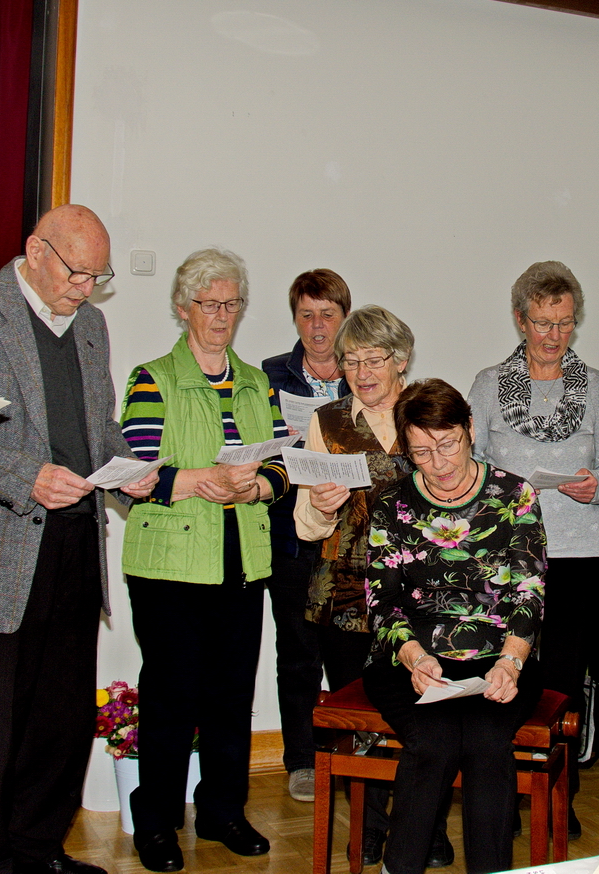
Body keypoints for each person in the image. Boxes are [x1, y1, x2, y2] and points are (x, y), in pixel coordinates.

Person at [0, 204, 158, 874]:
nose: (86, 289)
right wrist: (26, 478)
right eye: (78, 272)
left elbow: (98, 428)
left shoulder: (92, 325)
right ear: (36, 249)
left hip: (76, 547)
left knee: (59, 721)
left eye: (98, 276)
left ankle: (38, 849)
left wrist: (131, 472)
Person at [118, 247, 292, 869]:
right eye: (208, 303)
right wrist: (202, 480)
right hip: (169, 562)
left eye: (231, 303)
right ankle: (157, 820)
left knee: (230, 694)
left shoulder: (257, 382)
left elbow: (281, 465)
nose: (221, 315)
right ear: (182, 307)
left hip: (241, 557)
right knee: (170, 695)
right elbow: (134, 473)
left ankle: (222, 810)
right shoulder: (151, 378)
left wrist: (260, 484)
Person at [364, 379, 547, 874]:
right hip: (413, 657)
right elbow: (382, 602)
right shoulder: (392, 504)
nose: (438, 462)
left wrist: (511, 662)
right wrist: (415, 658)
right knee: (434, 738)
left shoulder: (514, 495)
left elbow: (528, 592)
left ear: (469, 430)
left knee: (488, 743)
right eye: (421, 452)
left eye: (447, 445)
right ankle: (398, 867)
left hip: (501, 653)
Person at [466, 260, 599, 837]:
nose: (553, 335)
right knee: (506, 679)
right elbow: (468, 467)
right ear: (519, 320)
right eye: (541, 322)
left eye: (564, 322)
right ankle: (501, 796)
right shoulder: (487, 384)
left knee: (561, 684)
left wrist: (593, 487)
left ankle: (561, 796)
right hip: (505, 558)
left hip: (578, 558)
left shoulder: (595, 384)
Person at [294, 305, 437, 866]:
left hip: (420, 593)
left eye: (374, 359)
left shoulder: (426, 411)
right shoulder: (326, 422)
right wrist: (323, 507)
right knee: (365, 724)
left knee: (422, 715)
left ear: (400, 361)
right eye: (351, 361)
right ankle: (372, 831)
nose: (362, 371)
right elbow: (307, 524)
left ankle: (421, 826)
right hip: (347, 592)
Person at [260, 269, 351, 803]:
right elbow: (254, 449)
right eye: (307, 315)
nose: (318, 327)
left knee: (350, 654)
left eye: (328, 315)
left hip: (349, 539)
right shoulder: (268, 375)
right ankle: (300, 758)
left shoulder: (364, 372)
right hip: (291, 536)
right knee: (296, 652)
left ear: (344, 318)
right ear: (295, 318)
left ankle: (351, 752)